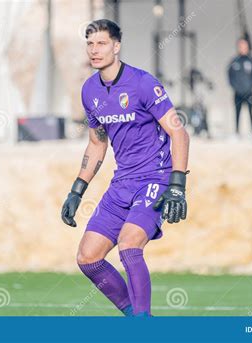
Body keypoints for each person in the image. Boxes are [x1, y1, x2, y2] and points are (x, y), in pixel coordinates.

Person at [61, 19, 190, 317]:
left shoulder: (143, 83)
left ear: (116, 47)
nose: (94, 50)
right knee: (87, 258)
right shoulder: (89, 91)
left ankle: (142, 325)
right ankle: (137, 318)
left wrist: (177, 185)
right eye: (90, 44)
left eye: (102, 43)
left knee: (129, 245)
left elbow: (178, 133)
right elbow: (97, 144)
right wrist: (76, 191)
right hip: (123, 183)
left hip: (155, 178)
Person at [227, 38, 252, 136]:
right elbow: (230, 76)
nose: (243, 48)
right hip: (237, 92)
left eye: (244, 46)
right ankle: (236, 132)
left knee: (251, 112)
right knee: (237, 112)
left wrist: (250, 86)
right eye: (241, 46)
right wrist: (235, 87)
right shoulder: (234, 61)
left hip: (249, 92)